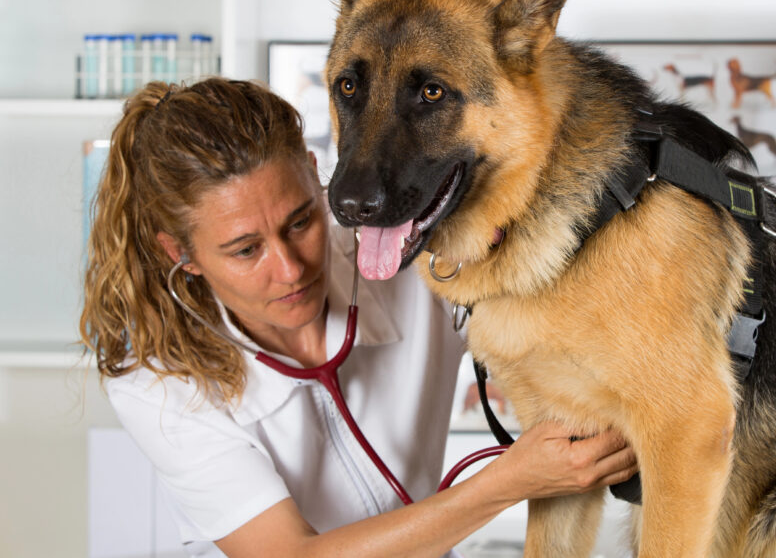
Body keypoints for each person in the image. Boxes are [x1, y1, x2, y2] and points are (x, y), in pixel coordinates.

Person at [80, 78, 637, 558]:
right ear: (181, 253)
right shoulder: (157, 384)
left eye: (301, 221)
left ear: (316, 171)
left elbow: (554, 313)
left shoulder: (404, 257)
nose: (292, 268)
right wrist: (508, 482)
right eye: (246, 250)